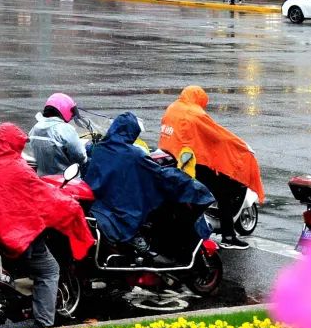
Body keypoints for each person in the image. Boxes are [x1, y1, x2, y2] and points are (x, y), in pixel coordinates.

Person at [0, 123, 94, 328]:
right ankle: (44, 324)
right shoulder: (18, 168)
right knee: (50, 270)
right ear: (14, 144)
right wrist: (71, 206)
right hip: (12, 236)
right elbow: (43, 196)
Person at [82, 113, 215, 260]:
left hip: (98, 207)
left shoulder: (99, 149)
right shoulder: (135, 154)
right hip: (121, 212)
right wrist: (187, 183)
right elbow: (159, 174)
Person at [159, 86, 264, 250]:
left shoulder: (172, 108)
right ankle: (228, 236)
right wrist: (240, 146)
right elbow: (217, 134)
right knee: (224, 193)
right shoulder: (195, 113)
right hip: (190, 164)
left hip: (172, 159)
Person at [28, 93, 87, 176]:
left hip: (41, 179)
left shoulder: (35, 128)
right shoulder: (65, 129)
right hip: (66, 181)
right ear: (65, 109)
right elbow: (81, 157)